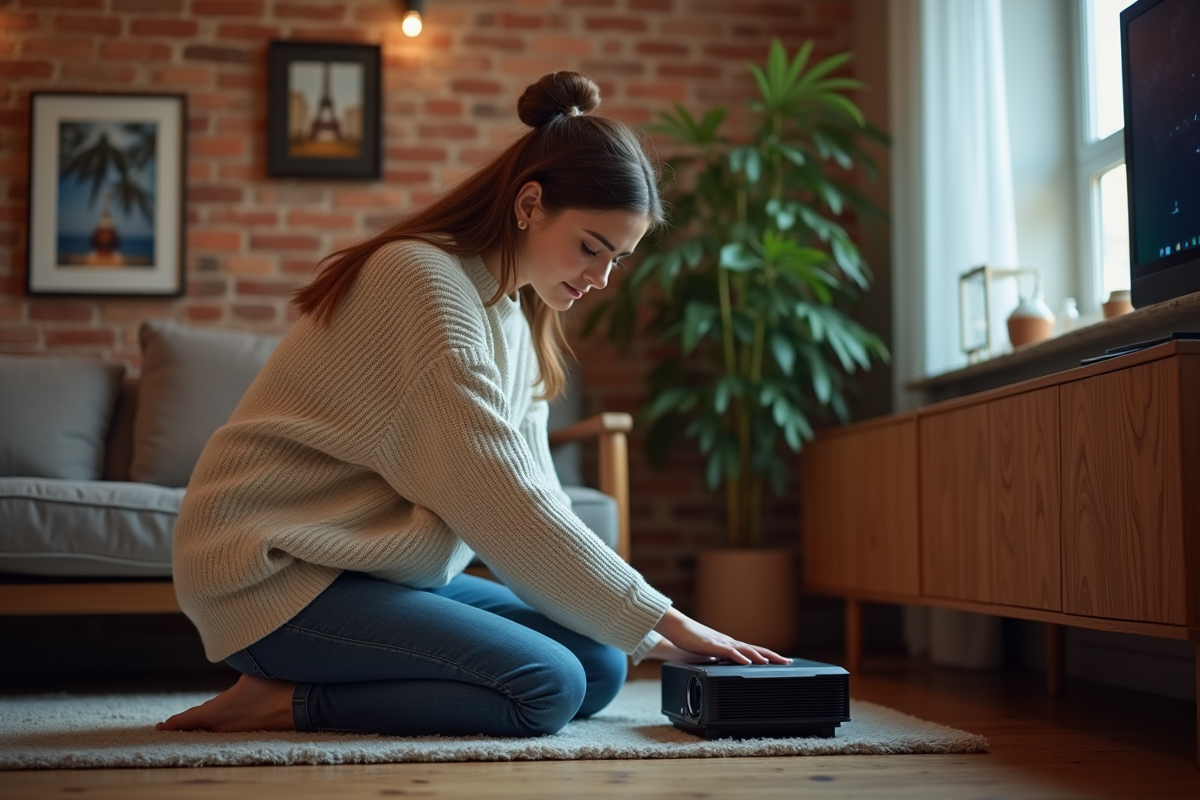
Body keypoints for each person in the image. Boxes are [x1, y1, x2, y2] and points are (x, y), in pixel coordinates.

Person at [158, 72, 789, 738]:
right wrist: (670, 619)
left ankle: (310, 683)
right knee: (547, 688)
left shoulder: (517, 317)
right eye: (590, 248)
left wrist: (640, 631)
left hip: (368, 569)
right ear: (529, 205)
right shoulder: (421, 280)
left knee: (602, 662)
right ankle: (280, 701)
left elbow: (542, 492)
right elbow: (504, 500)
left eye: (618, 260)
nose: (600, 278)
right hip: (272, 574)